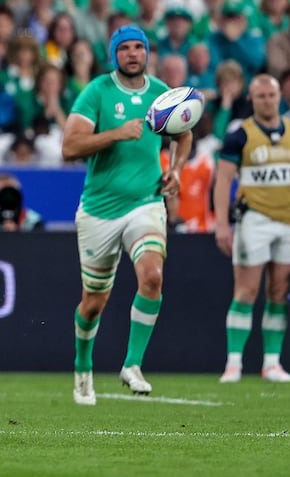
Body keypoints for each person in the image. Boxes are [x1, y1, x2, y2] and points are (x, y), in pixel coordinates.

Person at [61, 25, 193, 405]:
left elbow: (184, 133)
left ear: (147, 52)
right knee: (93, 302)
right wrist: (115, 133)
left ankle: (132, 364)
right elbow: (69, 146)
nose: (133, 54)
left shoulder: (160, 94)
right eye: (125, 48)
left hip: (146, 202)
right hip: (99, 210)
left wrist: (177, 168)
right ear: (114, 54)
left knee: (152, 276)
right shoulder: (98, 92)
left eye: (139, 47)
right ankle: (83, 367)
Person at [213, 74, 290, 385]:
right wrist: (222, 223)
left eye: (271, 95)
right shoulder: (240, 136)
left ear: (280, 98)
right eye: (260, 96)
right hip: (255, 220)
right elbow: (222, 181)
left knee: (278, 292)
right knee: (246, 291)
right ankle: (233, 363)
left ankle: (271, 364)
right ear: (252, 99)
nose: (267, 100)